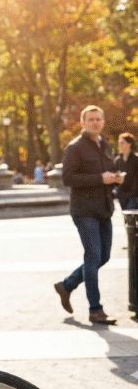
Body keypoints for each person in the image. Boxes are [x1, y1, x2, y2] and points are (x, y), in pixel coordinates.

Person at [54, 105, 121, 325]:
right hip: (84, 211)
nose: (95, 122)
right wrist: (100, 178)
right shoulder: (75, 147)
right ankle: (95, 309)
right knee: (93, 257)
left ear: (103, 121)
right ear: (83, 123)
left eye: (98, 119)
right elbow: (67, 178)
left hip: (104, 209)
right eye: (90, 119)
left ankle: (66, 285)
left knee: (103, 257)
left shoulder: (106, 145)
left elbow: (105, 173)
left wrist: (115, 178)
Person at [114, 132, 138, 210]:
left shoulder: (136, 158)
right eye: (119, 143)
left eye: (122, 143)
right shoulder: (118, 160)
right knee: (126, 218)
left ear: (129, 144)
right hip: (121, 194)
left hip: (134, 195)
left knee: (131, 217)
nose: (120, 145)